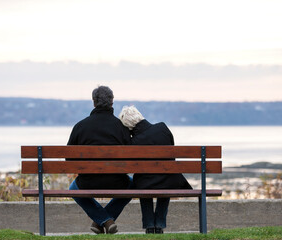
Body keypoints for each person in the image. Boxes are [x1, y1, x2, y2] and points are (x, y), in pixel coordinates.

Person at [67, 86, 132, 234]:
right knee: (133, 185)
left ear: (94, 102)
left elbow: (69, 159)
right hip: (118, 182)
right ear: (112, 102)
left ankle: (102, 220)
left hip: (87, 182)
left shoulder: (80, 126)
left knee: (73, 189)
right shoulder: (121, 127)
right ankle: (106, 220)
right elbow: (131, 159)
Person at [119, 105, 192, 234]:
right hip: (170, 180)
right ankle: (159, 224)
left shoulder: (133, 142)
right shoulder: (162, 128)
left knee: (143, 181)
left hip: (145, 184)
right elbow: (171, 155)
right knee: (166, 177)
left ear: (128, 127)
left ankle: (149, 226)